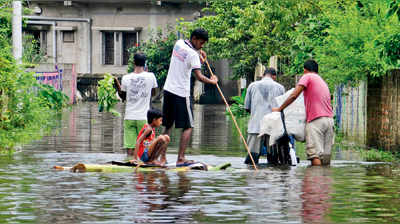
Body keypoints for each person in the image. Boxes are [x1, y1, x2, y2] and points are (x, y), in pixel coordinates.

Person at [162, 28, 218, 166]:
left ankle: (161, 158)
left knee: (168, 126)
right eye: (201, 42)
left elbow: (189, 54)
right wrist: (213, 81)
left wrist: (199, 53)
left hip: (168, 90)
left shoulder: (178, 43)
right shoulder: (193, 55)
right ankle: (180, 158)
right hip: (181, 93)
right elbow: (199, 76)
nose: (202, 45)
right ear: (194, 39)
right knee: (188, 126)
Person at [272, 59, 334, 166]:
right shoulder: (322, 81)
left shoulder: (307, 76)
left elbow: (294, 96)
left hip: (316, 121)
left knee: (314, 154)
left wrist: (280, 108)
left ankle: (315, 179)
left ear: (305, 70)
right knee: (325, 156)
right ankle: (324, 180)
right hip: (329, 121)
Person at [114, 53, 158, 156]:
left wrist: (118, 88)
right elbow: (154, 93)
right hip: (144, 118)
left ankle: (130, 165)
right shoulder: (151, 76)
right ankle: (143, 166)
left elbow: (123, 97)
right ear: (145, 63)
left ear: (133, 63)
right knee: (145, 147)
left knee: (130, 148)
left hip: (129, 117)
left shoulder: (125, 78)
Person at [244, 67, 285, 164]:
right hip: (273, 128)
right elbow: (283, 109)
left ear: (263, 75)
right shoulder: (280, 88)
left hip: (255, 127)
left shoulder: (252, 86)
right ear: (274, 76)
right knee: (273, 160)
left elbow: (247, 107)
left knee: (252, 159)